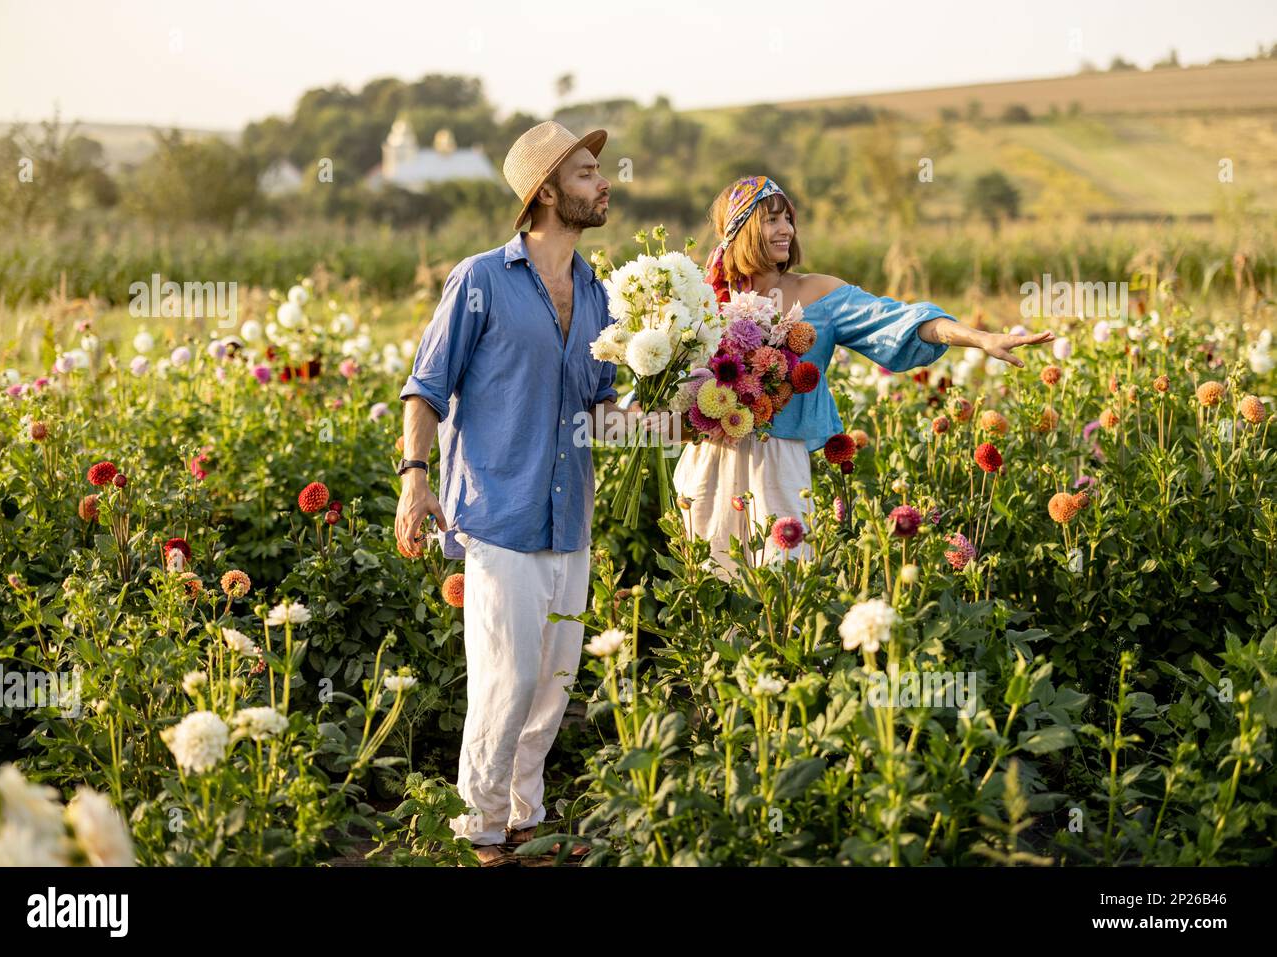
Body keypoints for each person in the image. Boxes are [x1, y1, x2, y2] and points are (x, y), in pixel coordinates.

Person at [394, 121, 634, 865]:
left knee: (554, 683)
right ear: (548, 191)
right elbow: (426, 386)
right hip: (497, 513)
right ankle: (479, 826)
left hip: (571, 518)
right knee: (508, 678)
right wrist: (413, 480)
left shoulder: (598, 291)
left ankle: (524, 815)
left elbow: (603, 412)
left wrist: (685, 408)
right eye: (589, 172)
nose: (605, 183)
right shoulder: (481, 280)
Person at [670, 175, 1055, 578]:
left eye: (788, 218)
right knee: (711, 585)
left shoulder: (818, 294)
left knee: (782, 585)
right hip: (708, 461)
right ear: (741, 229)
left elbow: (898, 320)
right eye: (771, 220)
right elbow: (666, 382)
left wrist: (978, 337)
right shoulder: (704, 298)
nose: (786, 229)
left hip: (779, 463)